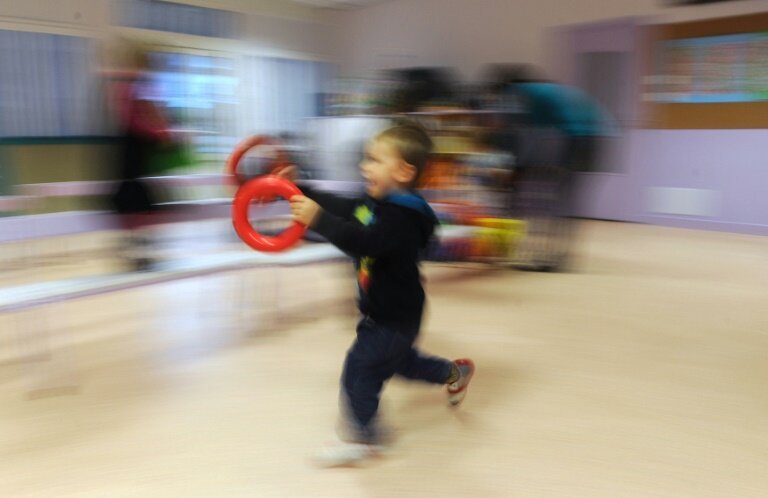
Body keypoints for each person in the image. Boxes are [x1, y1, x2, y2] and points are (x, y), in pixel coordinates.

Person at [280, 122, 475, 467]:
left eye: (373, 160)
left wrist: (318, 220)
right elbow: (344, 206)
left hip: (393, 316)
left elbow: (364, 242)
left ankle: (364, 438)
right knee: (401, 363)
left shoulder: (402, 220)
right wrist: (297, 188)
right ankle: (453, 373)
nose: (364, 167)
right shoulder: (377, 202)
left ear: (403, 171)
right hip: (391, 312)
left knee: (360, 370)